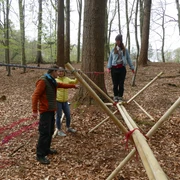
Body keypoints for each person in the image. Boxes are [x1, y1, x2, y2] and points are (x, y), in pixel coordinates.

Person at [32, 65, 77, 164]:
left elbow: (61, 85)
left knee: (50, 131)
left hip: (51, 110)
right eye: (57, 72)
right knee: (44, 133)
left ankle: (47, 149)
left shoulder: (52, 80)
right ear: (53, 72)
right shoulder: (43, 81)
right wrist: (34, 110)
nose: (59, 74)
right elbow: (35, 96)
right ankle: (40, 155)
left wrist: (73, 86)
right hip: (45, 111)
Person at [107, 34, 134, 102]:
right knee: (115, 84)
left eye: (118, 40)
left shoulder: (125, 50)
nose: (117, 42)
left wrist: (132, 67)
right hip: (114, 68)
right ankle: (115, 96)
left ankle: (120, 96)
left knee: (121, 84)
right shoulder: (113, 50)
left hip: (122, 69)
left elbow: (128, 59)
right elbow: (110, 59)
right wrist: (109, 67)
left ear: (120, 41)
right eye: (116, 40)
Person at [56, 67, 78, 137]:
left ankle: (68, 127)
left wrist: (77, 75)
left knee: (68, 115)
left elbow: (75, 81)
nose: (61, 73)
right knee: (58, 116)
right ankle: (59, 130)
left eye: (62, 71)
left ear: (64, 72)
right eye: (59, 71)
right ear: (57, 72)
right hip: (58, 101)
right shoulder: (55, 80)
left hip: (65, 101)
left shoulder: (67, 79)